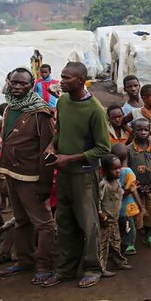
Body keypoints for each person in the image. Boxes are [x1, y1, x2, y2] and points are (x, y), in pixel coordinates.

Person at [41, 62, 111, 289]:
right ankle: (66, 269)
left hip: (83, 175)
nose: (61, 82)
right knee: (64, 221)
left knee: (88, 223)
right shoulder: (62, 101)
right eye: (61, 77)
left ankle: (92, 268)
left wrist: (69, 158)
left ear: (81, 80)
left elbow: (103, 149)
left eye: (66, 78)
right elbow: (60, 130)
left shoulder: (95, 110)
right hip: (64, 174)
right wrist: (53, 146)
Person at [0, 67, 56, 284]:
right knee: (21, 220)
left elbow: (47, 150)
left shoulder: (40, 113)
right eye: (15, 82)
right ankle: (25, 260)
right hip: (12, 172)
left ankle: (44, 264)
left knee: (43, 223)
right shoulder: (10, 107)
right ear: (9, 82)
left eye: (23, 83)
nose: (18, 87)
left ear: (32, 86)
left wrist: (45, 184)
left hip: (31, 176)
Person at [126, 119, 151, 248]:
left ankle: (149, 235)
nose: (142, 132)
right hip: (135, 189)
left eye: (146, 130)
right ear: (133, 131)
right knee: (134, 213)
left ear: (150, 131)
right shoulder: (129, 150)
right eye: (139, 130)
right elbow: (126, 169)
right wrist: (134, 186)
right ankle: (131, 241)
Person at [98, 154, 132, 276]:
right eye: (114, 169)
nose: (118, 171)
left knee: (116, 242)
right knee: (103, 245)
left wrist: (130, 190)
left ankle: (118, 262)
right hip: (106, 221)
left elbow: (121, 195)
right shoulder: (104, 185)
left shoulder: (117, 182)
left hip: (114, 219)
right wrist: (102, 216)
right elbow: (98, 202)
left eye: (119, 168)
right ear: (105, 170)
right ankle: (101, 268)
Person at [112, 143, 144, 256]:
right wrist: (141, 206)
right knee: (129, 228)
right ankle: (128, 245)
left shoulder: (109, 171)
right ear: (127, 157)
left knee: (118, 228)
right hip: (126, 207)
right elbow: (133, 190)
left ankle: (119, 246)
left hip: (114, 208)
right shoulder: (129, 172)